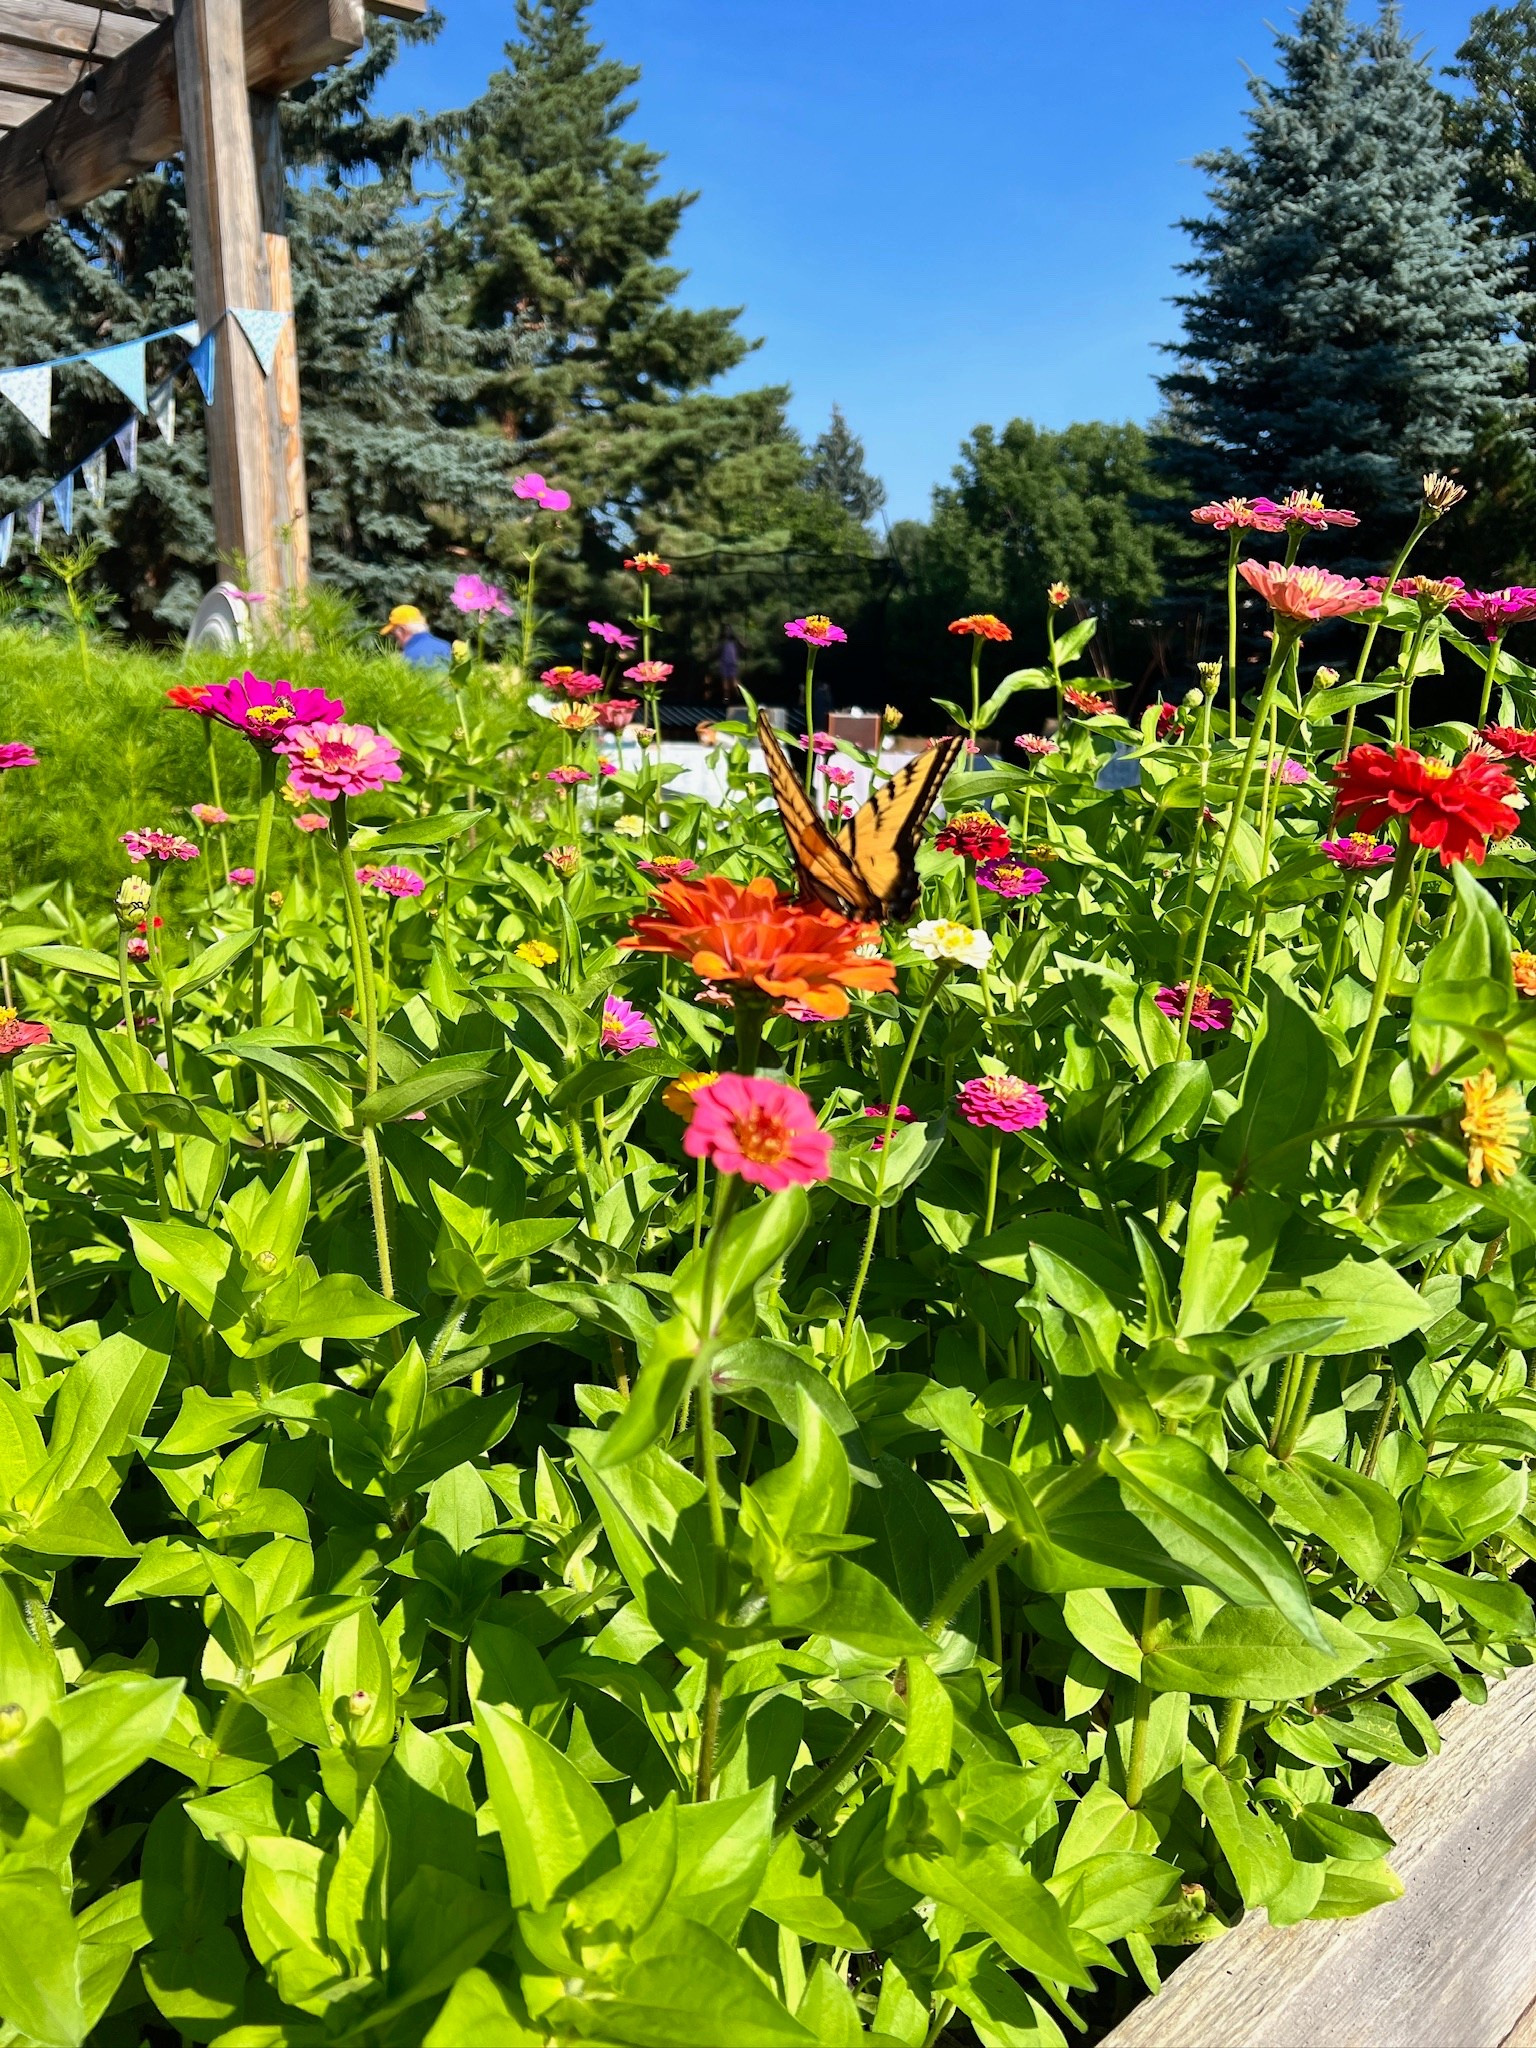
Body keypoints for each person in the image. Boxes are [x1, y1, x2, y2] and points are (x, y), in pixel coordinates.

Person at [380, 604, 454, 668]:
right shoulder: (445, 646)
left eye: (393, 632)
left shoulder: (407, 657)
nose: (394, 637)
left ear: (403, 629)